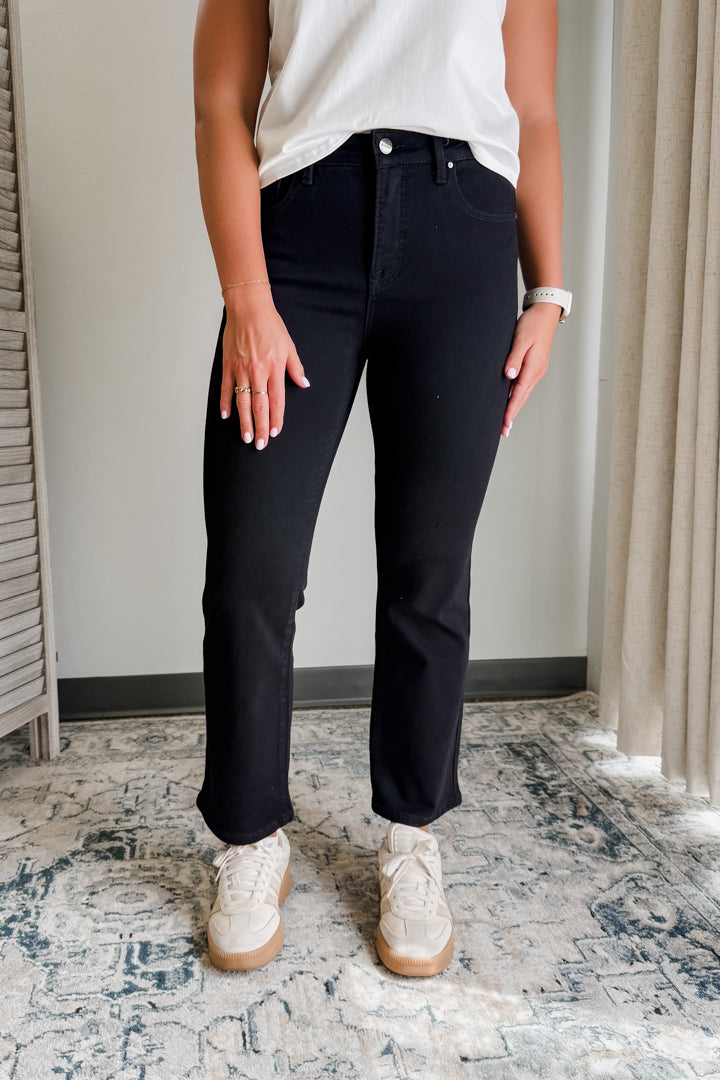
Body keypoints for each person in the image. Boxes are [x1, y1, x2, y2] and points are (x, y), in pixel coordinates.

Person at [192, 0, 571, 977]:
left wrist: (550, 291)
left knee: (428, 571)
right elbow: (219, 100)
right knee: (252, 570)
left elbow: (532, 110)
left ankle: (411, 836)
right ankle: (249, 838)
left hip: (465, 235)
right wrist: (247, 295)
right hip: (298, 237)